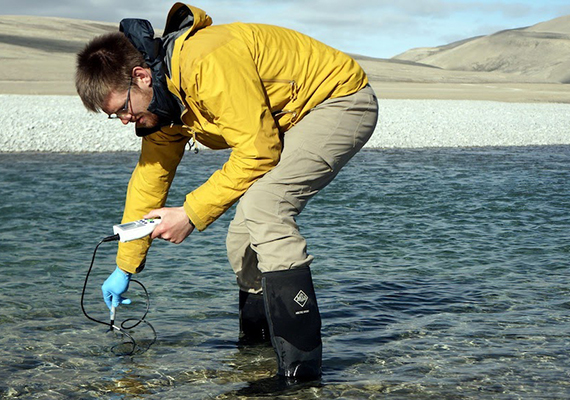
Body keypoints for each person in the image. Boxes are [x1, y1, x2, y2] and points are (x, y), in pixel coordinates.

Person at [75, 2, 378, 381]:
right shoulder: (163, 105)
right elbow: (149, 180)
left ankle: (300, 374)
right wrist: (125, 265)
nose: (123, 121)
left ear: (141, 77)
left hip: (338, 100)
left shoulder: (206, 61)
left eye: (121, 109)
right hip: (285, 119)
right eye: (113, 116)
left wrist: (190, 213)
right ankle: (257, 351)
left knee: (266, 206)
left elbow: (258, 148)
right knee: (241, 237)